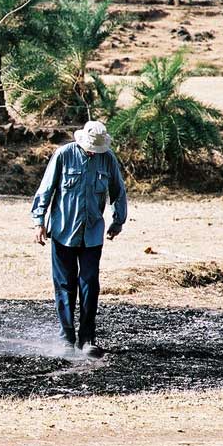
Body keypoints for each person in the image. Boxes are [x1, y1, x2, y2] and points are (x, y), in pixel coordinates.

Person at [30, 120, 127, 358]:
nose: (93, 151)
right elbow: (46, 188)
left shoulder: (107, 159)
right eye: (90, 147)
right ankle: (66, 337)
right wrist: (39, 221)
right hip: (63, 232)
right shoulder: (63, 155)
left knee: (89, 284)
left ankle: (87, 339)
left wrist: (118, 220)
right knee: (64, 286)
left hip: (92, 233)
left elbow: (118, 191)